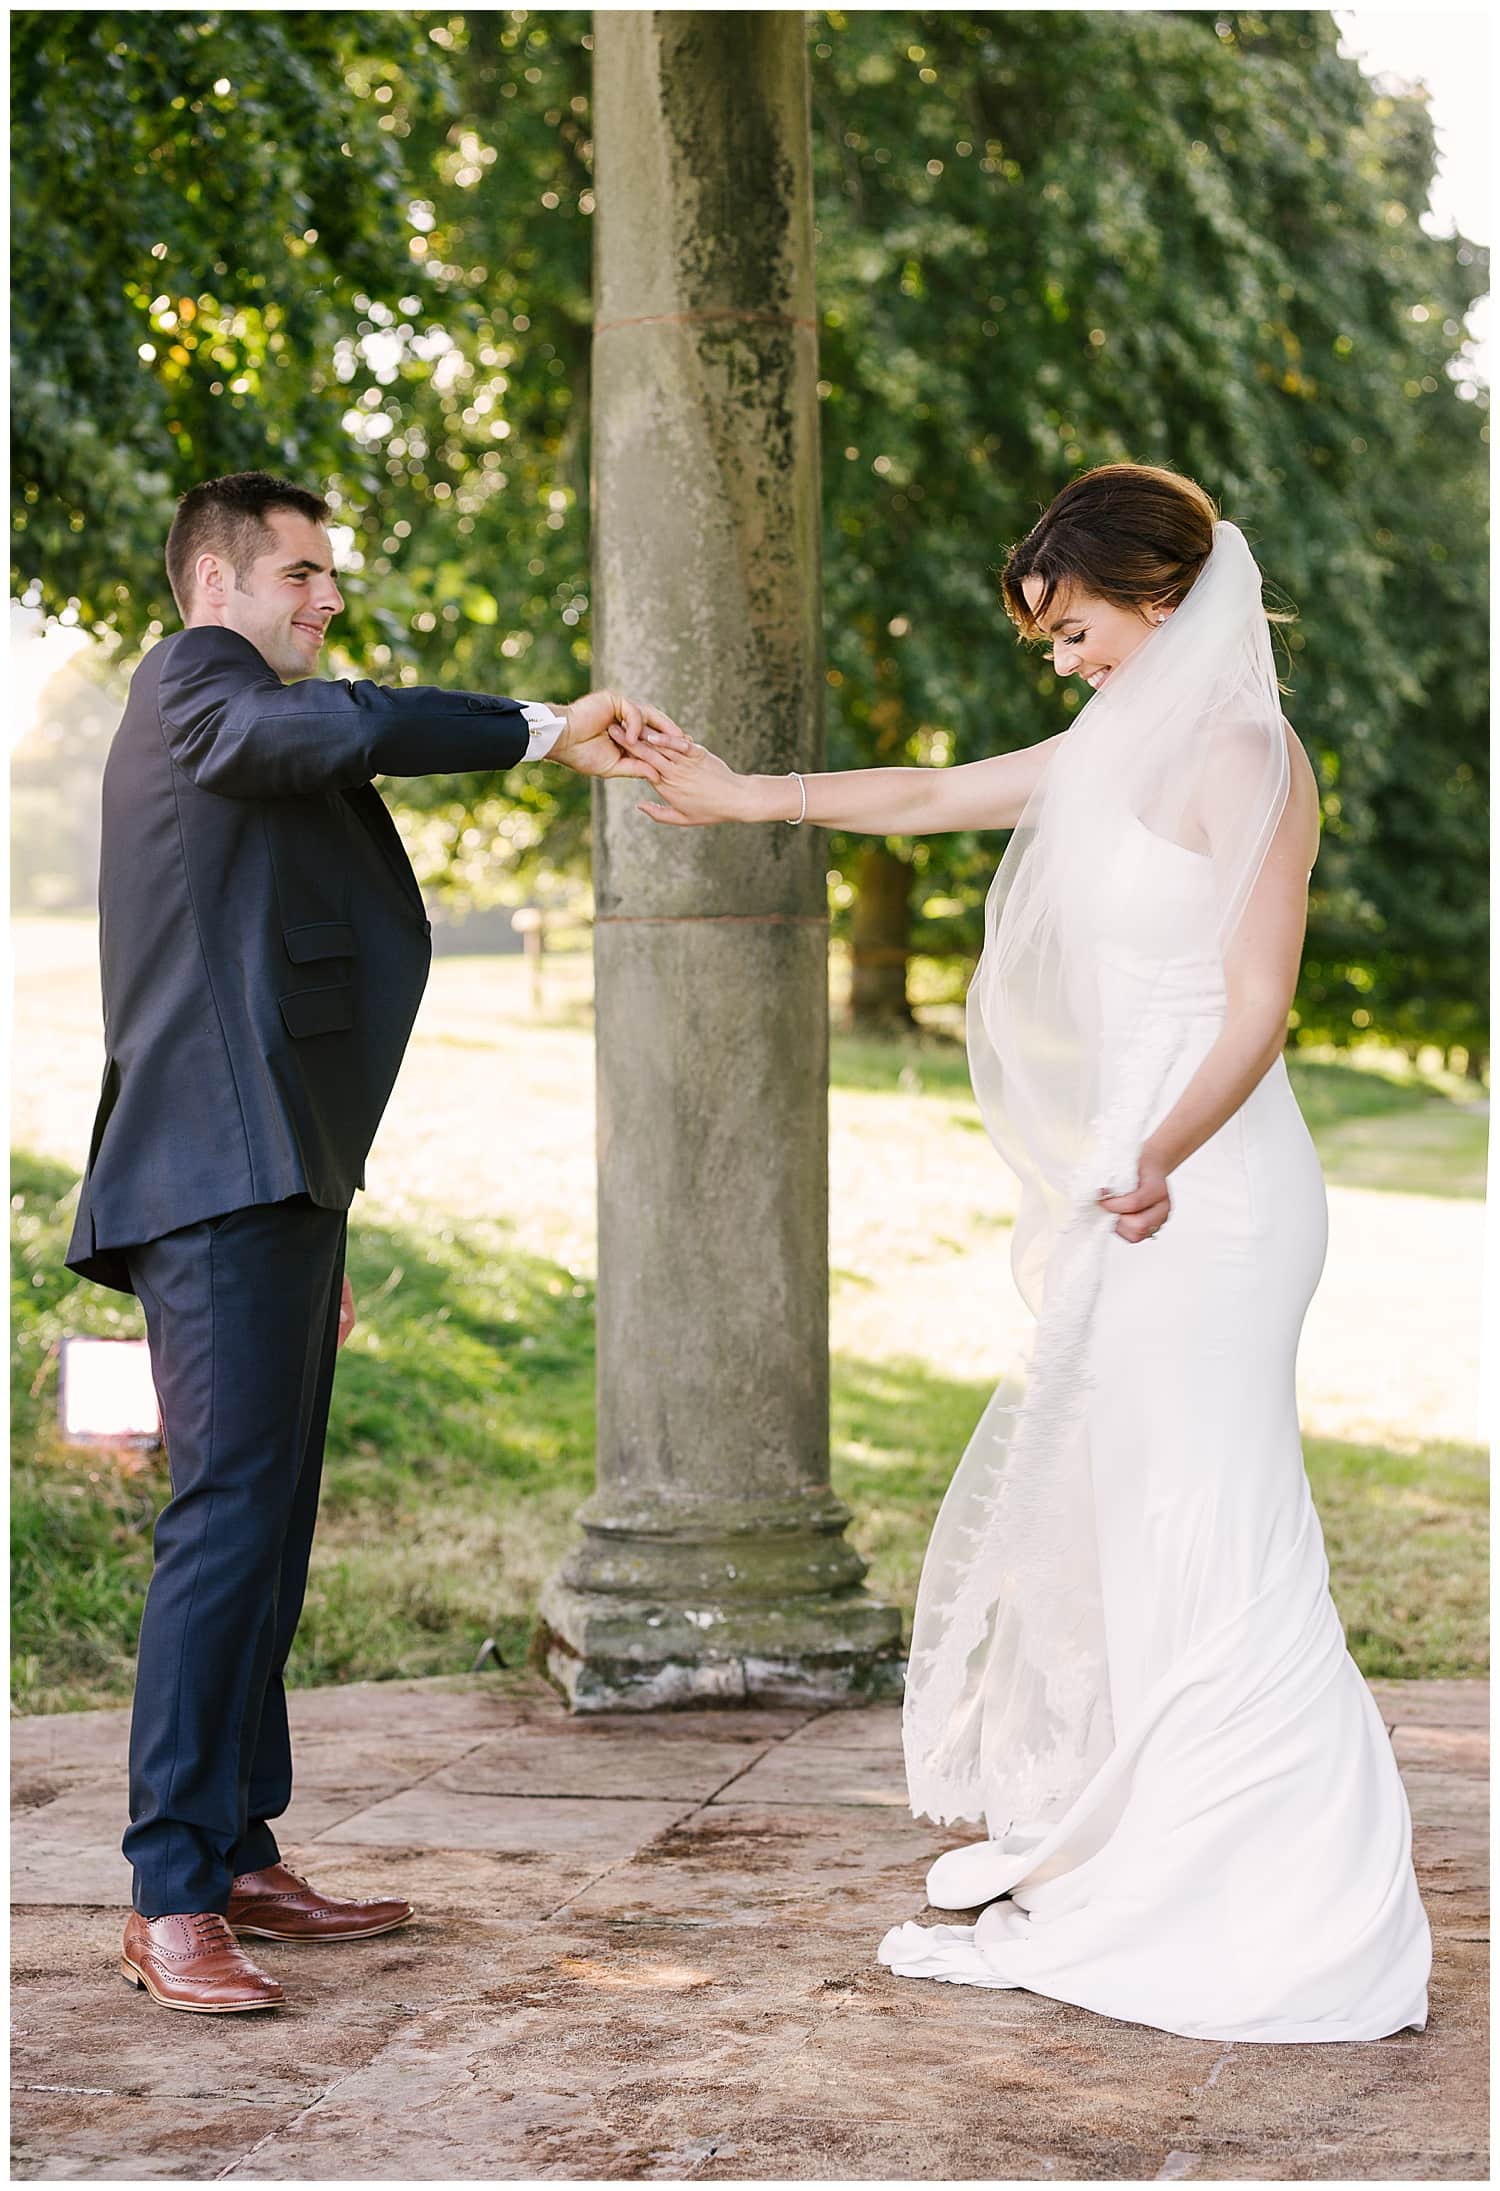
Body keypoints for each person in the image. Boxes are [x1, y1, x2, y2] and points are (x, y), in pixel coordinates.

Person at [613, 462, 1433, 2043]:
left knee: (1223, 1529)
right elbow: (926, 796)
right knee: (1145, 1529)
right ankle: (1164, 1847)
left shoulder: (1250, 756)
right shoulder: (1109, 749)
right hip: (1135, 1189)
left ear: (1165, 596)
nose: (1064, 664)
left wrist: (1158, 1151)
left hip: (1215, 1191)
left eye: (1076, 631)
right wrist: (744, 796)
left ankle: (1292, 1909)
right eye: (1051, 644)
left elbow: (1261, 1005)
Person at [64, 469, 683, 2014]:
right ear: (216, 584)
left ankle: (236, 1849)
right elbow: (327, 725)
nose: (325, 598)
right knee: (221, 1527)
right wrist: (541, 730)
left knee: (266, 1526)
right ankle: (165, 1896)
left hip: (273, 1175)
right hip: (214, 1180)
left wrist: (322, 1203)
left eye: (330, 575)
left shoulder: (238, 707)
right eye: (299, 575)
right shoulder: (199, 690)